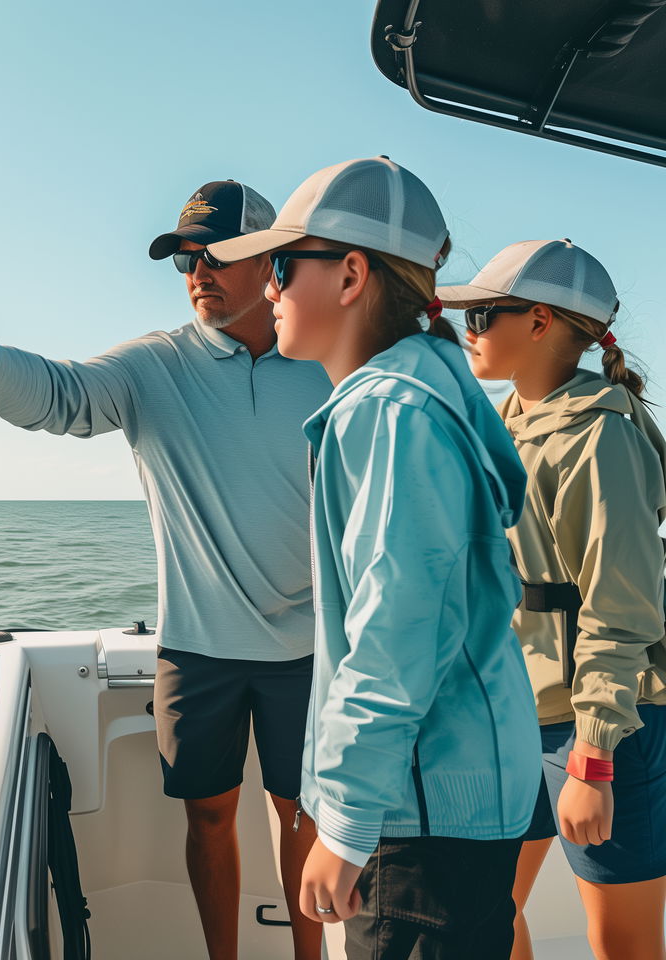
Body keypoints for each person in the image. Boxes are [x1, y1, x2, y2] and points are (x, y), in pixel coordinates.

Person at [0, 179, 332, 960]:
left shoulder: (325, 365)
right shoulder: (155, 367)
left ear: (270, 260)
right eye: (183, 259)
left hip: (308, 650)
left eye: (214, 254)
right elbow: (62, 394)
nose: (196, 272)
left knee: (303, 817)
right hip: (199, 649)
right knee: (208, 819)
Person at [208, 157, 543, 960]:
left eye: (284, 265)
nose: (270, 287)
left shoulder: (388, 413)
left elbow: (396, 635)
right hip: (449, 800)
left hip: (418, 821)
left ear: (351, 274)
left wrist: (349, 823)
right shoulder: (423, 389)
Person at [439, 240, 666, 960]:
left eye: (482, 314)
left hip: (601, 727)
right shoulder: (503, 425)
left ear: (539, 322)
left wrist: (594, 758)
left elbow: (620, 611)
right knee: (479, 911)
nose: (467, 329)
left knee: (621, 944)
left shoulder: (604, 441)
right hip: (515, 717)